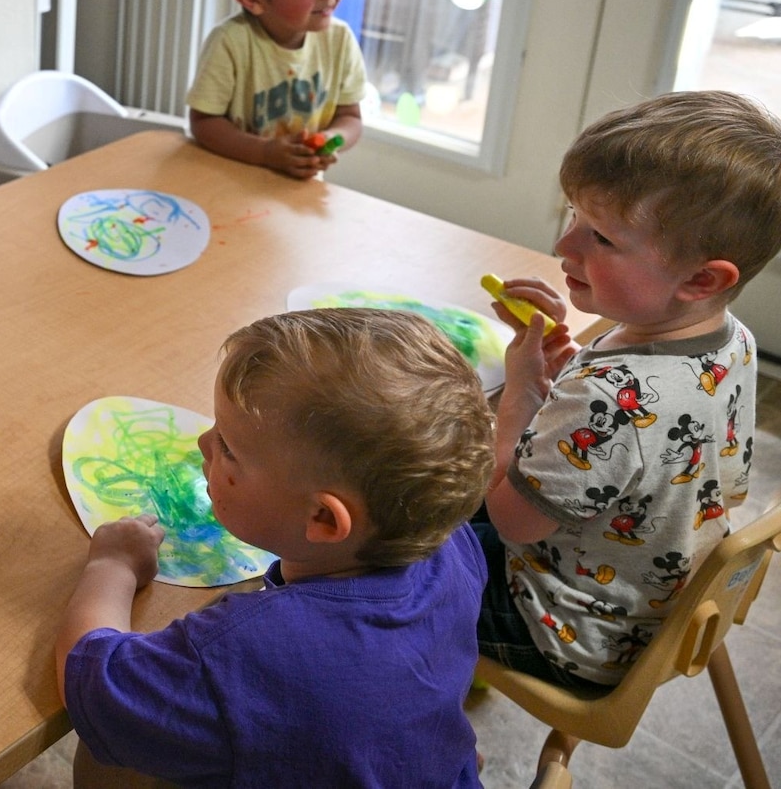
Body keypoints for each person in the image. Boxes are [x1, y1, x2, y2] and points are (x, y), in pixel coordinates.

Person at [56, 308, 495, 788]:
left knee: (107, 762)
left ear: (324, 519)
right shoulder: (451, 543)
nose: (203, 443)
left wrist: (111, 567)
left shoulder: (244, 653)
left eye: (228, 448)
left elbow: (90, 685)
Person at [477, 89, 781, 690]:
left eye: (603, 239)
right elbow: (668, 451)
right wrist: (562, 373)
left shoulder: (610, 399)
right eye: (574, 217)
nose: (564, 245)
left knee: (394, 532)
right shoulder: (732, 340)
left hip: (564, 632)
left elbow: (509, 519)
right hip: (655, 604)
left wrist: (521, 392)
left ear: (700, 278)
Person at [186, 0, 365, 181]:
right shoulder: (231, 43)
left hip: (298, 188)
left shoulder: (340, 41)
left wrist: (331, 140)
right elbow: (204, 122)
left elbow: (351, 118)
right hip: (232, 181)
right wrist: (266, 152)